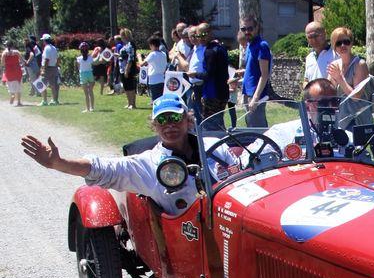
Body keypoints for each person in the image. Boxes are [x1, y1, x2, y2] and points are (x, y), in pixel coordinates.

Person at [21, 93, 239, 217]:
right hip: (191, 234)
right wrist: (59, 163)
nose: (169, 125)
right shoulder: (148, 163)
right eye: (162, 120)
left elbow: (244, 172)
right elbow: (103, 169)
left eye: (175, 118)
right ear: (154, 126)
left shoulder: (215, 147)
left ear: (188, 120)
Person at [266, 79, 346, 156]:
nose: (330, 107)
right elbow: (258, 159)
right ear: (307, 106)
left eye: (334, 102)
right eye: (323, 103)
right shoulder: (283, 133)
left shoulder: (345, 138)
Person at [237, 16, 272, 128]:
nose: (247, 32)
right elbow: (253, 68)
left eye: (250, 28)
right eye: (243, 29)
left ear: (257, 28)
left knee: (259, 131)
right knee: (251, 127)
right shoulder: (249, 45)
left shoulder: (262, 46)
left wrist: (255, 98)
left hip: (256, 96)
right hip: (248, 93)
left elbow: (264, 74)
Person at [195, 23, 231, 121]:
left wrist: (195, 74)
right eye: (198, 36)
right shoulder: (221, 47)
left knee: (210, 125)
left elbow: (208, 74)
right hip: (223, 92)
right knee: (218, 122)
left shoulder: (210, 51)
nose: (201, 38)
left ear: (210, 33)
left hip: (212, 94)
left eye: (203, 35)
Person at [302, 21, 337, 88]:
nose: (314, 40)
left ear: (324, 33)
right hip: (312, 98)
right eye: (310, 37)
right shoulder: (309, 57)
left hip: (330, 97)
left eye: (316, 35)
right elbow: (306, 79)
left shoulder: (335, 54)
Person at [143, 36, 168, 103]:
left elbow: (142, 64)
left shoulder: (153, 54)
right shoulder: (163, 54)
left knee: (155, 99)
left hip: (154, 79)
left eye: (150, 46)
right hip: (161, 78)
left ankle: (155, 113)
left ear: (153, 45)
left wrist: (139, 57)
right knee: (160, 98)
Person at [118, 28, 138, 110]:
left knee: (131, 86)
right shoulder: (125, 45)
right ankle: (129, 102)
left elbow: (130, 58)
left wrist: (127, 69)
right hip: (122, 68)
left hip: (128, 69)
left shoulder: (130, 44)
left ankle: (133, 104)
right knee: (126, 86)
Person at [39, 33, 60, 106]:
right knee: (53, 85)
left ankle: (44, 101)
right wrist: (56, 67)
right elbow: (58, 59)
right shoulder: (54, 48)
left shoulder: (46, 48)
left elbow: (46, 59)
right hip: (54, 67)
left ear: (45, 41)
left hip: (47, 68)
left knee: (41, 84)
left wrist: (43, 69)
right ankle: (54, 100)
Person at [1, 41, 24, 106]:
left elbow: (2, 63)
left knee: (10, 84)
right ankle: (19, 102)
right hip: (17, 71)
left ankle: (12, 95)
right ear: (12, 45)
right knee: (19, 86)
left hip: (9, 71)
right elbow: (22, 60)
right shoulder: (16, 52)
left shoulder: (4, 53)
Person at [77, 42, 95, 113]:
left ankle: (87, 108)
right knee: (90, 91)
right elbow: (93, 64)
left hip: (83, 75)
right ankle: (92, 108)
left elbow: (79, 68)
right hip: (90, 74)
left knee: (86, 93)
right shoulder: (90, 58)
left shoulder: (78, 58)